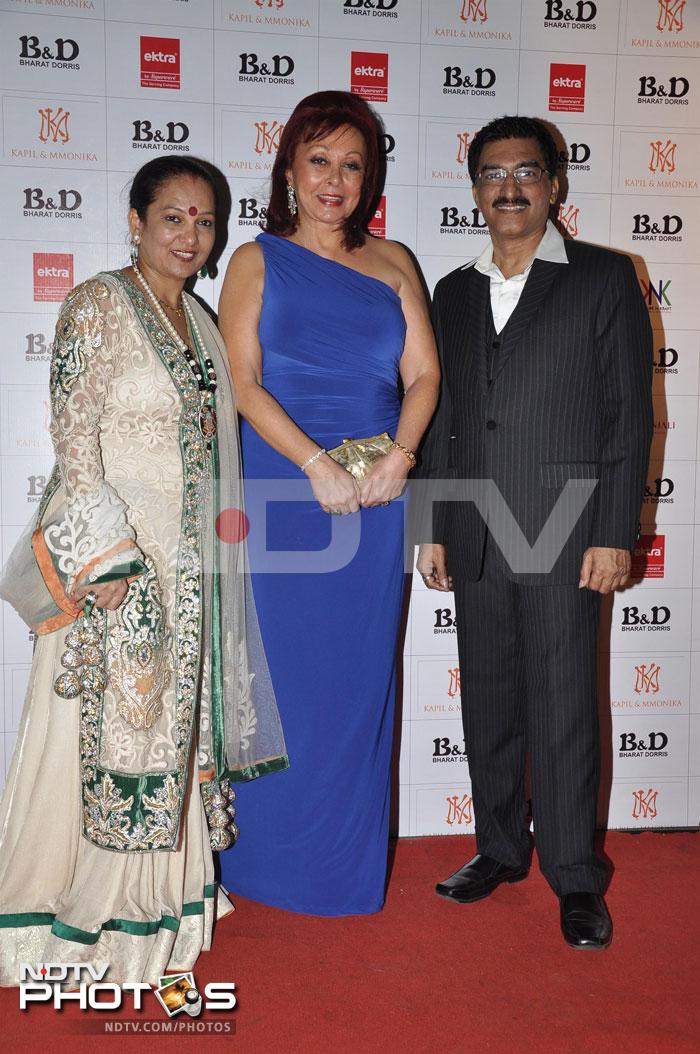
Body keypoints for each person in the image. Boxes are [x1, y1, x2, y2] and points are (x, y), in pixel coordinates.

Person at [0, 155, 287, 984]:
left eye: (205, 222)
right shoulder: (96, 303)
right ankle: (96, 917)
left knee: (172, 727)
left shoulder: (198, 319)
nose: (190, 235)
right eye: (173, 217)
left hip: (190, 565)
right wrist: (106, 559)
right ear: (136, 220)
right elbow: (75, 438)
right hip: (117, 565)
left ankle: (171, 900)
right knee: (113, 728)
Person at [417, 115, 653, 949]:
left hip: (566, 533)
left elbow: (629, 415)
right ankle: (498, 848)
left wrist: (614, 531)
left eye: (526, 171)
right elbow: (441, 414)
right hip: (476, 533)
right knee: (487, 702)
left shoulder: (603, 277)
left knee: (563, 713)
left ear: (555, 185)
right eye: (492, 173)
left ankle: (577, 879)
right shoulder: (449, 291)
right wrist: (435, 524)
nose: (508, 187)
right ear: (475, 187)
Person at [218, 91, 440, 916]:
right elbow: (242, 384)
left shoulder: (394, 262)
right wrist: (315, 463)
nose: (334, 179)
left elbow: (424, 375)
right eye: (319, 160)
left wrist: (402, 457)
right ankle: (261, 861)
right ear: (288, 168)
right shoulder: (256, 259)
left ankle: (339, 871)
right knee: (279, 678)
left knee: (354, 684)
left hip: (378, 494)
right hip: (287, 486)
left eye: (352, 164)